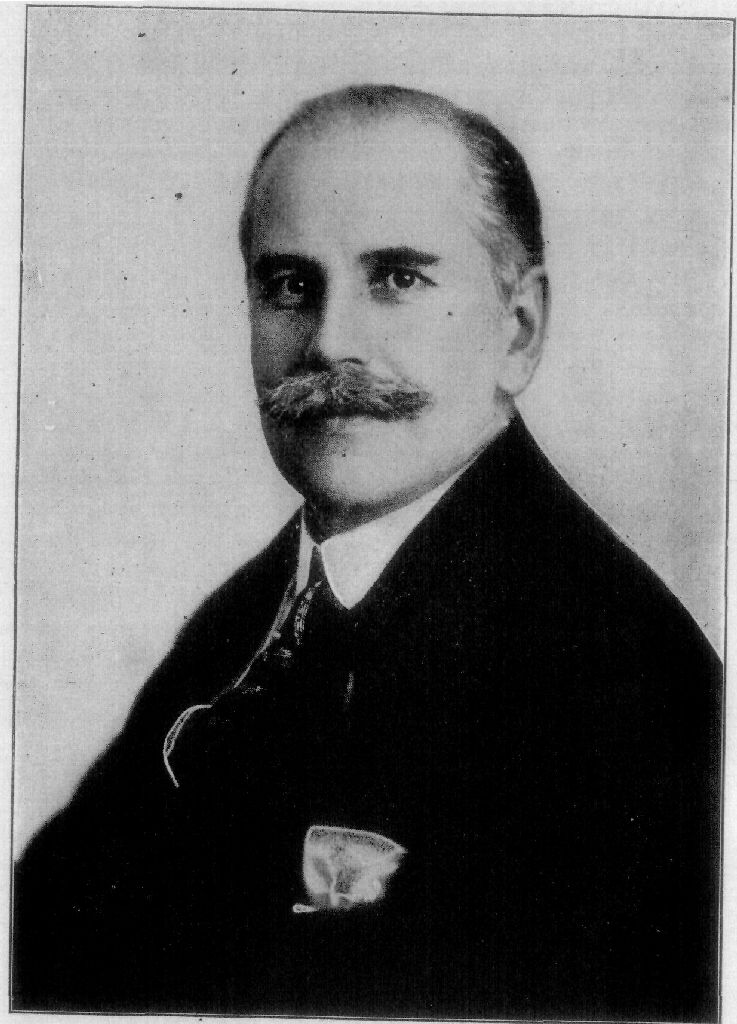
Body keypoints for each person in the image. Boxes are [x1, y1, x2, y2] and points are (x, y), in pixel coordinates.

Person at [13, 84, 721, 1021]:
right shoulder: (248, 619)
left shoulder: (628, 684)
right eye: (288, 285)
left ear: (518, 330)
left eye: (396, 278)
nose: (329, 341)